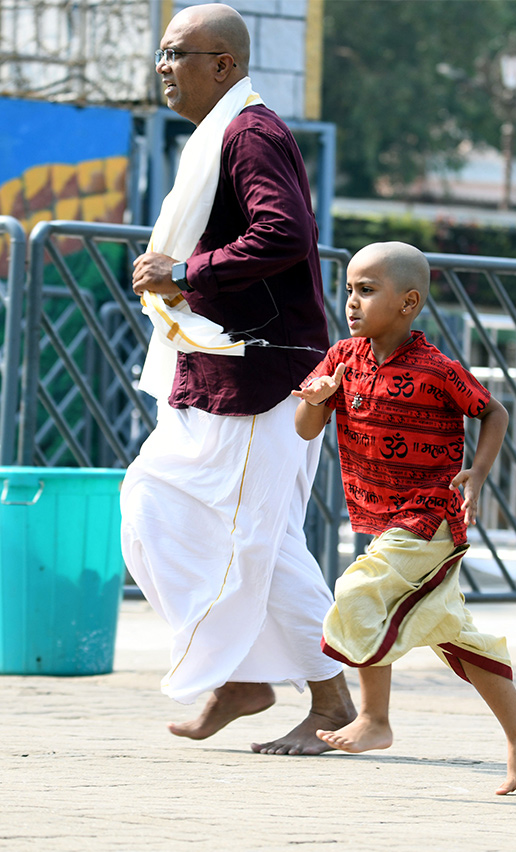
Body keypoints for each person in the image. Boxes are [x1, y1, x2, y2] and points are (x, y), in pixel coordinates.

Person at [120, 3, 355, 754]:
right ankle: (253, 679)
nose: (163, 66)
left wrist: (186, 270)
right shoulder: (223, 132)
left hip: (264, 375)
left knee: (259, 540)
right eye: (161, 52)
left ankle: (317, 697)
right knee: (155, 506)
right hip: (218, 366)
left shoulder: (251, 132)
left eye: (178, 53)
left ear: (223, 66)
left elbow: (284, 233)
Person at [291, 241, 516, 793]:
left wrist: (475, 475)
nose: (351, 301)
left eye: (366, 290)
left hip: (431, 515)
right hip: (385, 519)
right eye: (349, 289)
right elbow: (305, 429)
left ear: (408, 303)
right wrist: (316, 398)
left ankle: (375, 719)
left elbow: (493, 411)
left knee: (360, 591)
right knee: (448, 630)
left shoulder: (436, 368)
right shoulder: (342, 358)